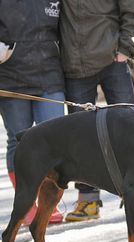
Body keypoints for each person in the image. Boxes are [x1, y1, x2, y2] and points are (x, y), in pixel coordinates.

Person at [59, 0, 134, 221]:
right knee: (81, 138)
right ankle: (87, 200)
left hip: (113, 62)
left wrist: (125, 51)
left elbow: (133, 12)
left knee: (130, 131)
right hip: (74, 66)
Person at [0, 0, 65, 225]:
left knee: (56, 141)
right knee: (18, 140)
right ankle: (26, 204)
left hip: (50, 76)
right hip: (10, 78)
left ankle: (49, 203)